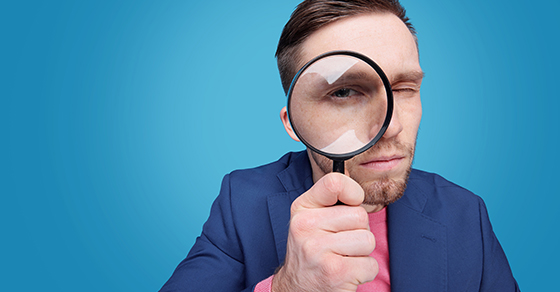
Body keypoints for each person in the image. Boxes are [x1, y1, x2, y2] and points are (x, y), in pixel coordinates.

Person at [160, 0, 520, 291]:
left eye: (404, 88)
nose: (391, 127)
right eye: (344, 92)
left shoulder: (465, 214)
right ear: (294, 124)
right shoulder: (242, 202)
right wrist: (286, 288)